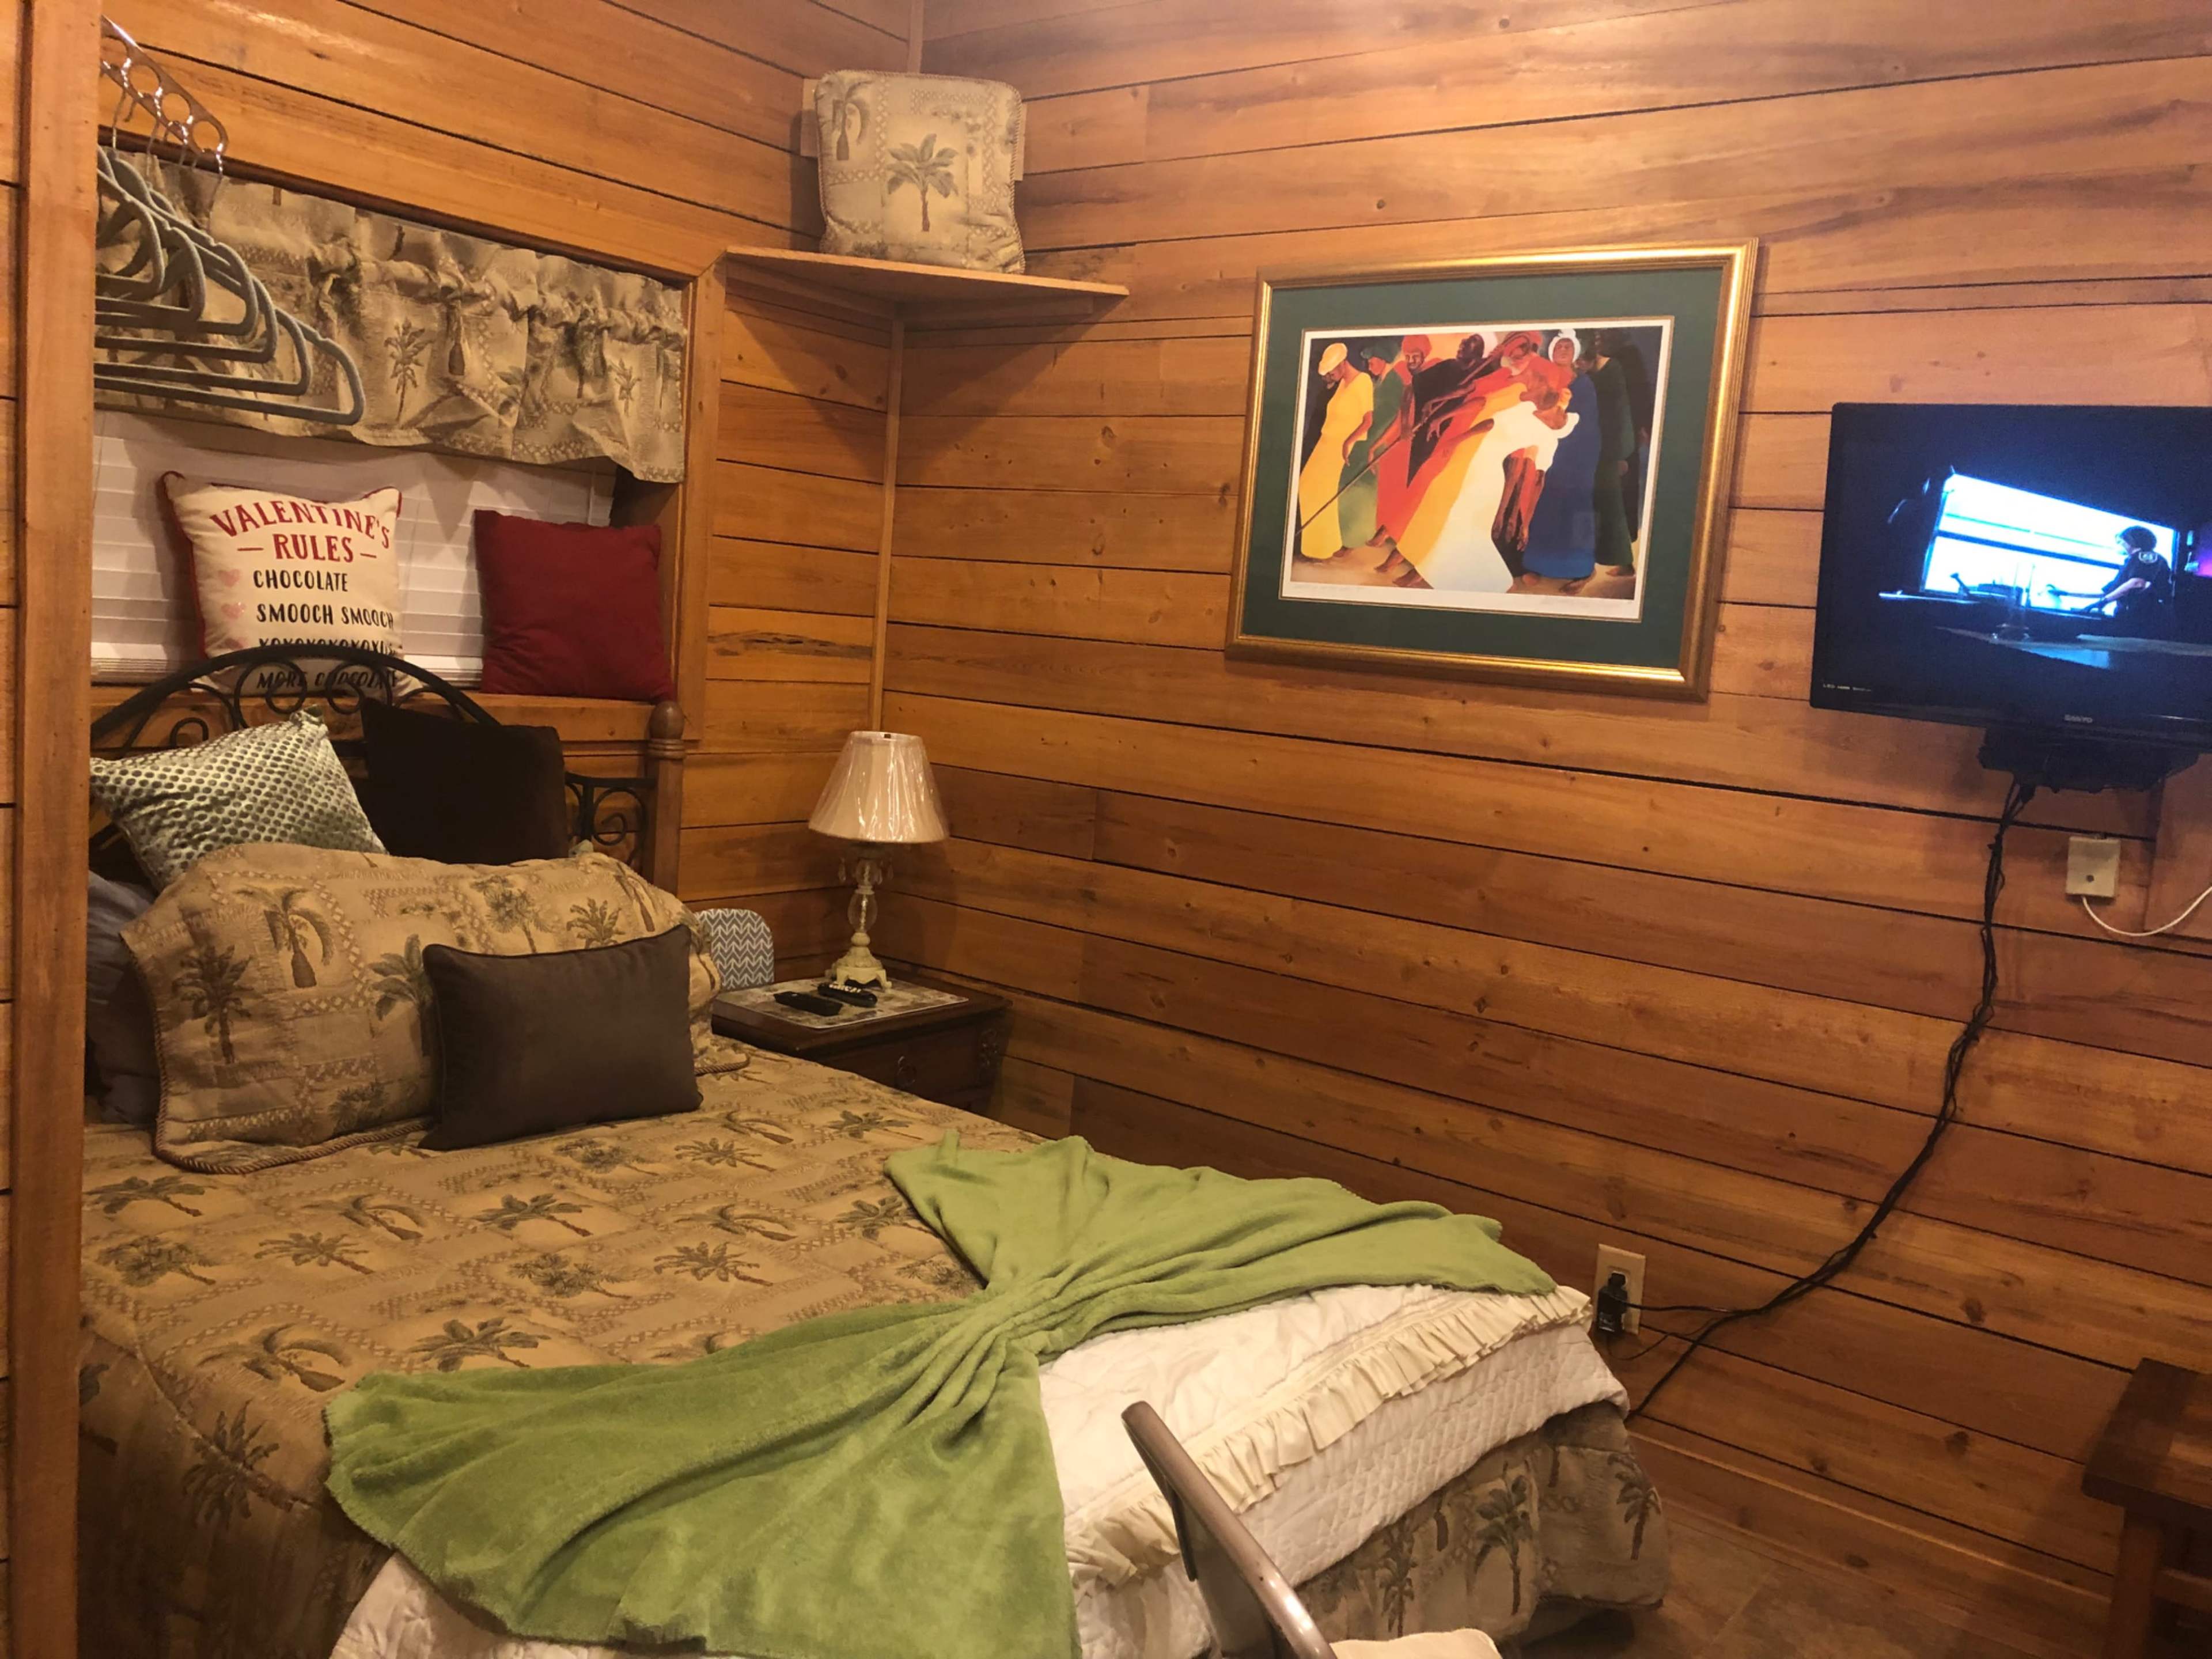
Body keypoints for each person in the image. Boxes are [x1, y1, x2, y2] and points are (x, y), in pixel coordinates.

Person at [1293, 342, 1374, 563]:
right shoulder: (1343, 384)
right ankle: (1319, 545)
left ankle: (1322, 547)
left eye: (1331, 371)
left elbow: (1368, 421)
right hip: (1325, 441)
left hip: (1338, 445)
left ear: (1342, 364)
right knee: (1307, 486)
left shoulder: (1363, 382)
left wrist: (1349, 441)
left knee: (1322, 490)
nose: (1330, 376)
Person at [2044, 525, 2176, 632]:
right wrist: (2066, 593)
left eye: (2121, 542)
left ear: (2132, 541)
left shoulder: (2147, 557)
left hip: (2145, 619)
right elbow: (2108, 592)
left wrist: (2104, 602)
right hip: (2129, 618)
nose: (2119, 546)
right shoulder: (2130, 563)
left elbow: (2137, 583)